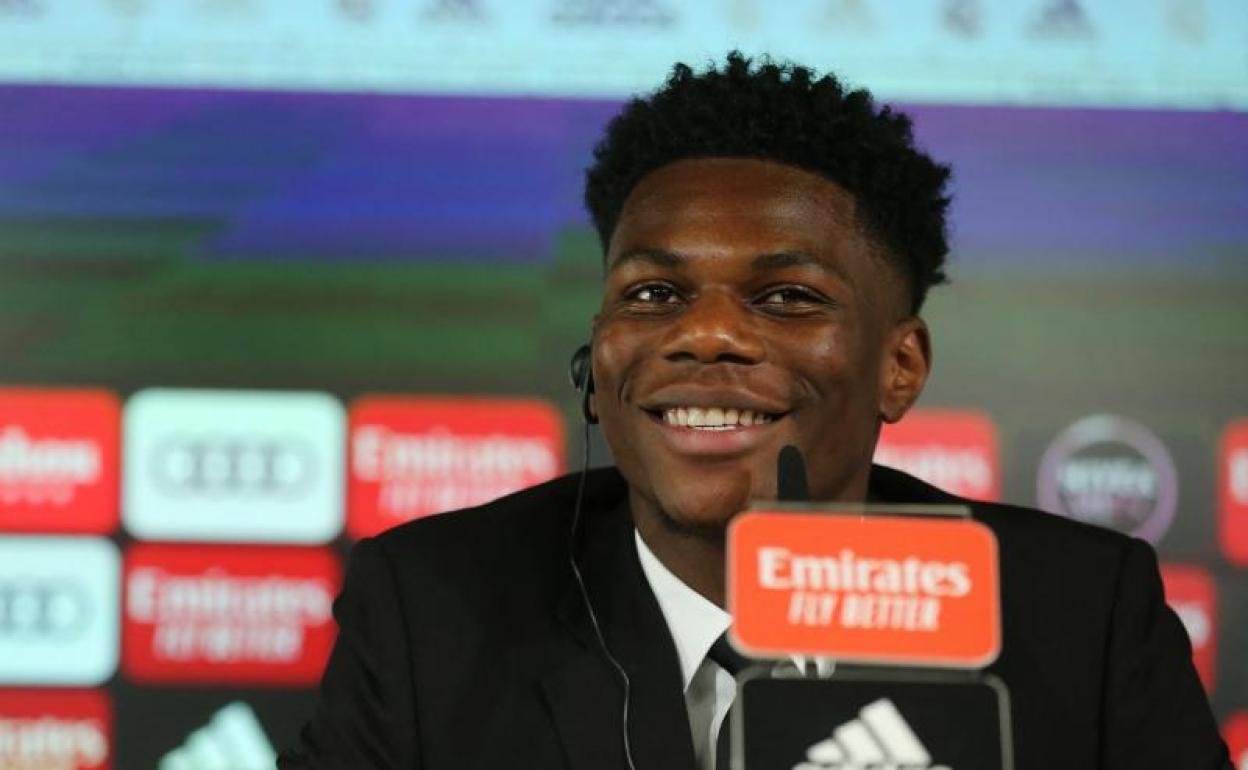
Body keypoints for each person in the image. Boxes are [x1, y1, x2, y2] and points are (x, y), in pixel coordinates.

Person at [279, 53, 1230, 770]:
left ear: (900, 366)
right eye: (653, 295)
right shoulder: (432, 609)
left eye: (787, 298)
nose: (706, 337)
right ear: (595, 363)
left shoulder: (1080, 617)